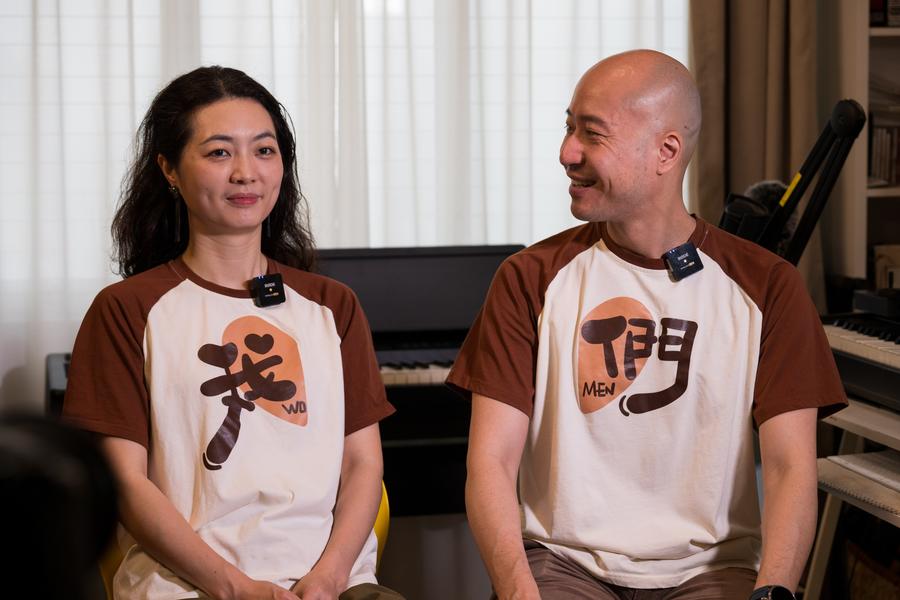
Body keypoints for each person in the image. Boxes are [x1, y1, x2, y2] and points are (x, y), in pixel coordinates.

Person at [447, 49, 847, 600]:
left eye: (592, 133)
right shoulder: (528, 279)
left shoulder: (769, 287)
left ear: (666, 151)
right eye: (568, 127)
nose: (567, 153)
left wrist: (773, 591)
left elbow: (789, 468)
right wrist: (518, 590)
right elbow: (490, 462)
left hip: (713, 571)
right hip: (563, 567)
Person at [63, 66, 404, 600]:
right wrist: (236, 587)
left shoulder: (332, 306)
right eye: (219, 152)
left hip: (333, 585)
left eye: (264, 150)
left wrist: (330, 577)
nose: (246, 173)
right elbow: (125, 483)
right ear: (169, 169)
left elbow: (363, 463)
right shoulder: (126, 310)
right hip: (185, 586)